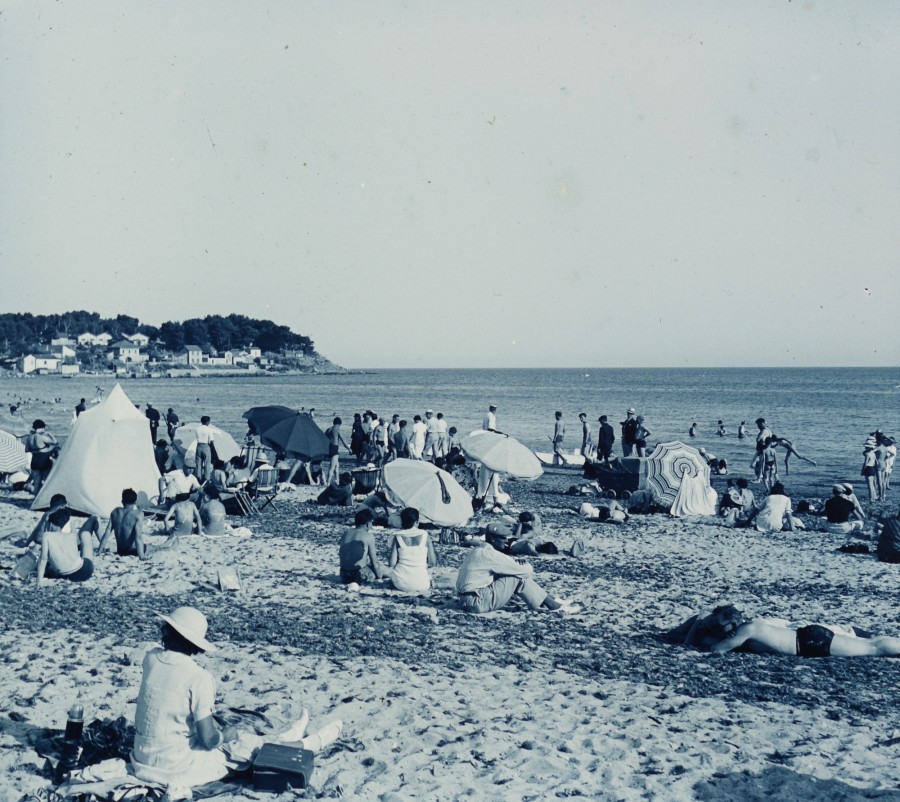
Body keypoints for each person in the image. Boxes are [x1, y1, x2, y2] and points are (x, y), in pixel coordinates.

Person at [131, 606, 342, 791]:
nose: (161, 629)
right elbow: (209, 741)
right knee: (239, 742)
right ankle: (303, 743)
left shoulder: (150, 658)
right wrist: (225, 735)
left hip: (142, 757)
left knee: (227, 735)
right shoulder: (199, 678)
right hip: (174, 767)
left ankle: (290, 739)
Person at [456, 539, 578, 614]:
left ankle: (548, 600)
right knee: (518, 576)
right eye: (502, 539)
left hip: (466, 601)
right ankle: (553, 605)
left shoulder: (479, 551)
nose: (506, 542)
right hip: (476, 602)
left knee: (511, 574)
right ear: (493, 539)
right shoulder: (490, 554)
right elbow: (525, 572)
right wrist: (526, 565)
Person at [36, 509, 97, 587]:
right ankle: (92, 521)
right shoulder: (72, 535)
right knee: (85, 535)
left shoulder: (46, 535)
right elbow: (78, 542)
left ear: (50, 524)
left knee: (51, 565)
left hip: (66, 575)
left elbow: (43, 559)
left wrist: (39, 580)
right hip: (84, 572)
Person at [387, 508, 436, 593]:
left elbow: (392, 563)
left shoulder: (398, 536)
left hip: (401, 582)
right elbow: (432, 562)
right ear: (416, 522)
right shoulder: (424, 535)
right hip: (422, 583)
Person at [339, 508, 387, 585]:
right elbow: (374, 562)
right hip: (359, 575)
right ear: (368, 523)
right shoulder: (368, 536)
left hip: (344, 575)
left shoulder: (346, 532)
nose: (372, 526)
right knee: (381, 568)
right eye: (372, 523)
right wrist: (379, 578)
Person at [98, 488, 148, 558]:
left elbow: (107, 532)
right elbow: (138, 537)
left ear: (122, 501)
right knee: (152, 547)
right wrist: (142, 557)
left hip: (121, 551)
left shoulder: (115, 512)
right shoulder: (138, 514)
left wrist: (99, 551)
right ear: (136, 501)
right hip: (133, 551)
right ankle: (166, 544)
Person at [25, 419, 58, 495]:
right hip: (44, 460)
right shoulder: (41, 437)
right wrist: (49, 434)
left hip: (34, 460)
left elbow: (27, 450)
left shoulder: (29, 438)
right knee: (48, 480)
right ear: (42, 427)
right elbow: (55, 442)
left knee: (37, 482)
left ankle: (35, 500)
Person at [324, 417, 350, 485]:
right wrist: (349, 449)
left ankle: (337, 480)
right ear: (339, 423)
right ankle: (328, 482)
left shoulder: (328, 429)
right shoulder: (337, 429)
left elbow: (324, 439)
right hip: (334, 448)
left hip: (328, 448)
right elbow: (343, 441)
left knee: (336, 465)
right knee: (332, 467)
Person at [194, 416, 215, 483]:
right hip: (206, 445)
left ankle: (198, 478)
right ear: (207, 422)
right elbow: (211, 441)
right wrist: (210, 448)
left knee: (198, 463)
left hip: (199, 445)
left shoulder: (197, 429)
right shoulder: (209, 430)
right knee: (207, 464)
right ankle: (207, 479)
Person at [861, 436, 878, 504]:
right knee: (872, 484)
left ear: (868, 447)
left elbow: (865, 463)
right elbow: (876, 462)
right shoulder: (873, 453)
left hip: (868, 468)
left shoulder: (868, 454)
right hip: (873, 468)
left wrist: (862, 471)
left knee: (869, 485)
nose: (865, 447)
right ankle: (874, 497)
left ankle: (871, 499)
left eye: (866, 446)